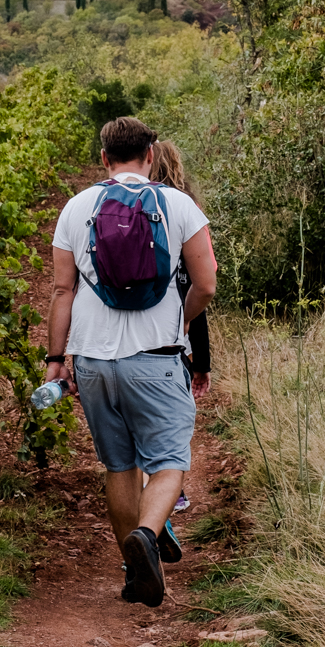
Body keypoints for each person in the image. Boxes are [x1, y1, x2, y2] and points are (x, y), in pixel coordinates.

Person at [46, 115, 217, 608]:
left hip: (94, 363)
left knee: (118, 464)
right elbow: (205, 284)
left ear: (104, 158)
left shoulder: (76, 208)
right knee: (168, 461)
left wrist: (56, 358)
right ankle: (147, 533)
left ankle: (132, 568)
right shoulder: (179, 204)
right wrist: (179, 325)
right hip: (156, 358)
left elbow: (62, 290)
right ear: (151, 154)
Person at [150, 139, 210, 513]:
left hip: (133, 330)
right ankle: (174, 491)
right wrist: (202, 359)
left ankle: (147, 488)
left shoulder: (127, 208)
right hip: (179, 328)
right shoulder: (187, 211)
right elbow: (202, 286)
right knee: (173, 417)